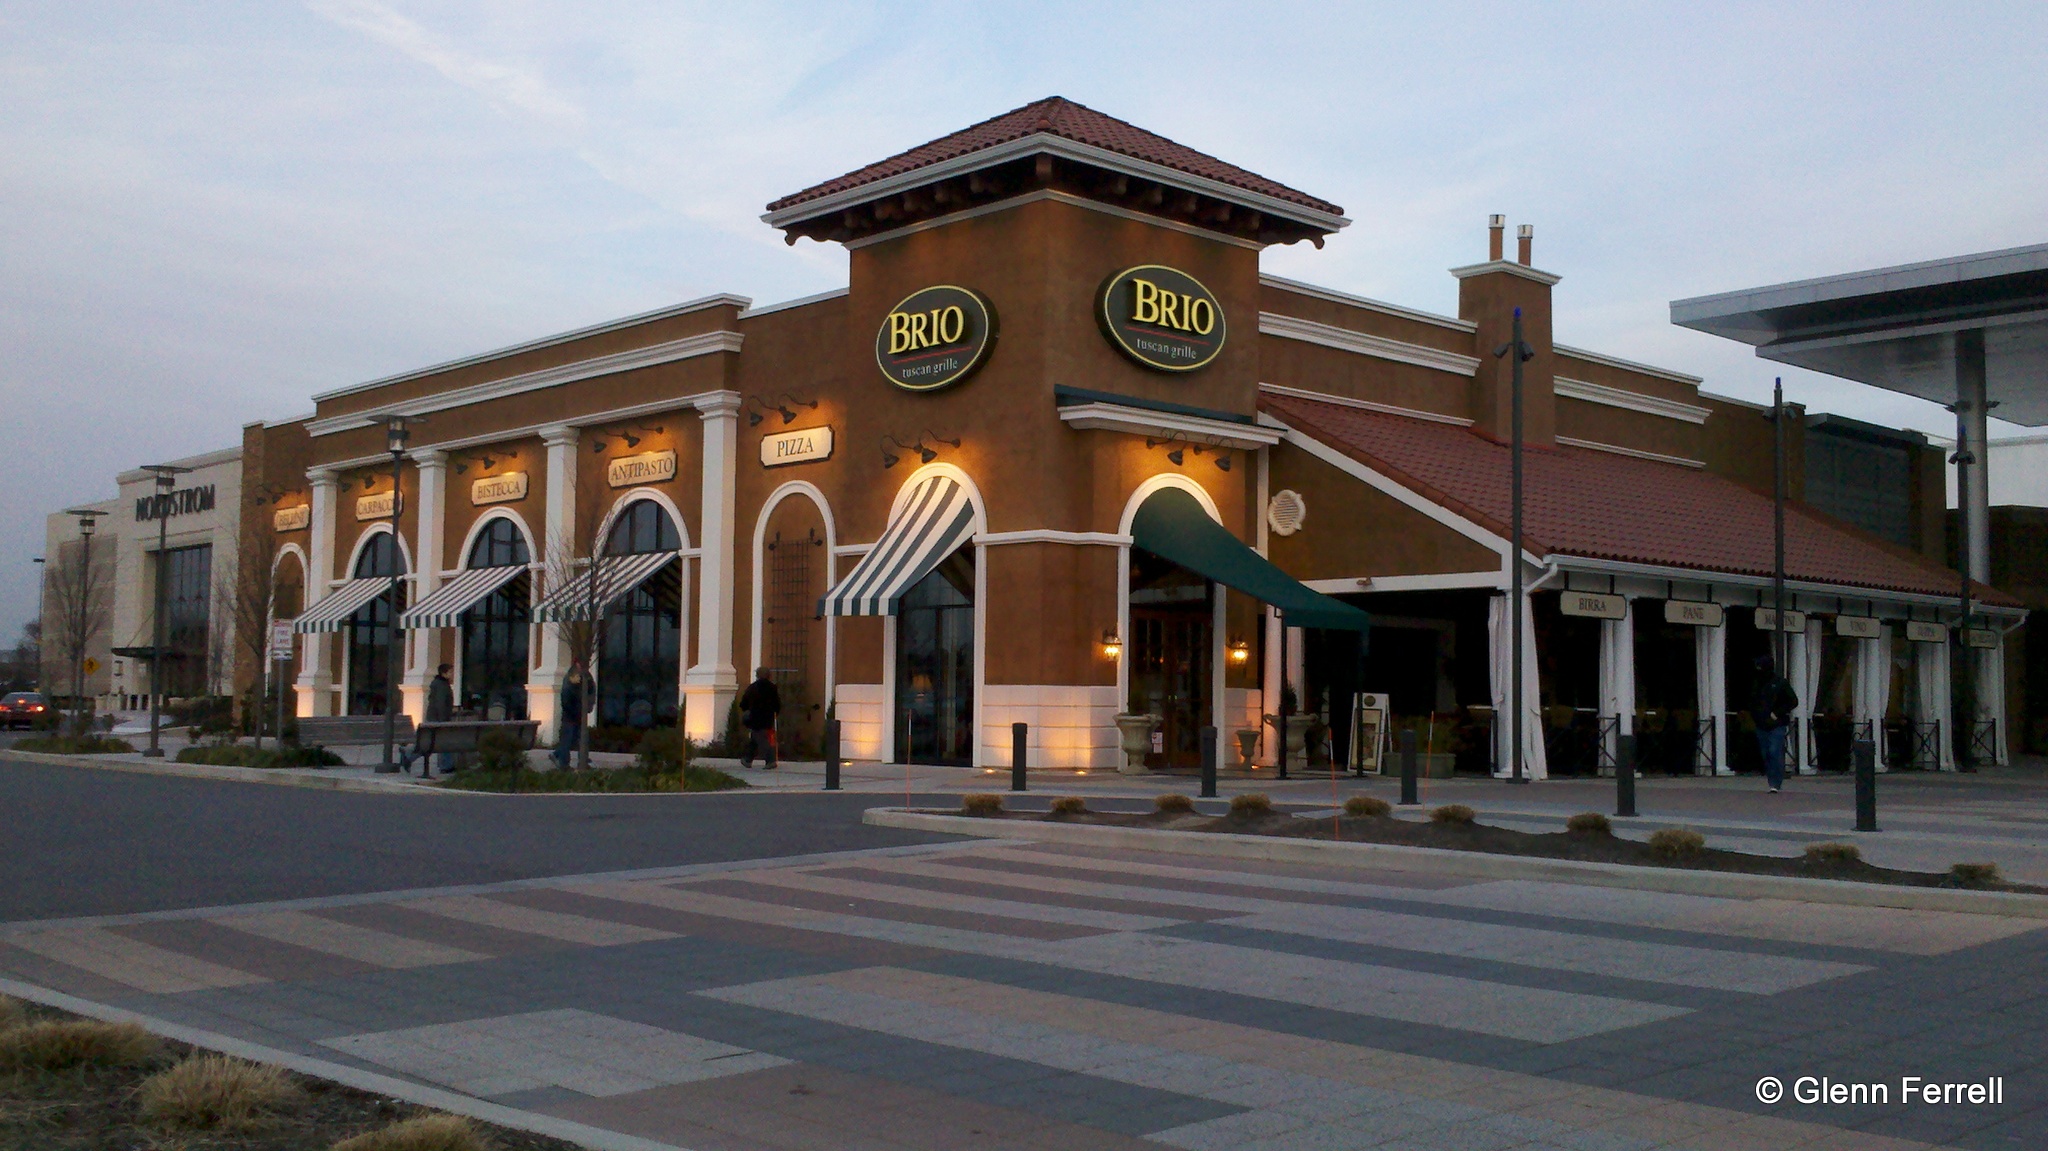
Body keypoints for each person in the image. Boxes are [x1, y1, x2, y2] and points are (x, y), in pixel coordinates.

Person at [1749, 654, 1799, 793]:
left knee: (1774, 751)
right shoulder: (1757, 683)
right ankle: (1772, 779)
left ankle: (1775, 783)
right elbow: (1752, 701)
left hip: (1777, 724)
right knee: (1766, 753)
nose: (1758, 669)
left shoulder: (1780, 682)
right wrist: (1756, 715)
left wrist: (1777, 713)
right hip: (1761, 724)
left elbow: (1793, 701)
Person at [405, 664, 455, 776]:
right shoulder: (441, 685)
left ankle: (446, 765)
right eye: (450, 672)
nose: (452, 674)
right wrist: (443, 720)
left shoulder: (440, 684)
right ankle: (446, 765)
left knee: (435, 742)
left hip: (436, 717)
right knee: (434, 743)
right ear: (444, 673)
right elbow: (440, 703)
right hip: (438, 719)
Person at [738, 667, 781, 770]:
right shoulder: (772, 687)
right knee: (758, 738)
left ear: (757, 675)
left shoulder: (752, 687)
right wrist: (775, 713)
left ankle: (770, 761)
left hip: (755, 718)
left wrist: (747, 711)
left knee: (761, 739)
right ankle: (748, 759)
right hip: (768, 717)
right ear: (769, 675)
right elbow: (777, 704)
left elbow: (743, 704)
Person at [553, 664, 588, 769]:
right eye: (577, 676)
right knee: (567, 741)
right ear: (572, 676)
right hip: (569, 718)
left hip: (575, 717)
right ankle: (563, 764)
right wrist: (576, 713)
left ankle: (558, 755)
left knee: (572, 741)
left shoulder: (577, 685)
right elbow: (567, 704)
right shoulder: (568, 688)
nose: (579, 679)